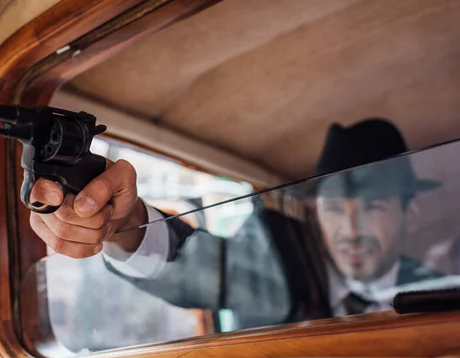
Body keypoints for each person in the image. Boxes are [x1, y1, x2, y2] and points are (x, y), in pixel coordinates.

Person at [29, 118, 443, 328]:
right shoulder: (277, 266)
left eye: (372, 208)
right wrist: (122, 224)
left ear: (410, 213)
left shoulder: (443, 297)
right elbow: (194, 268)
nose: (350, 229)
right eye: (335, 208)